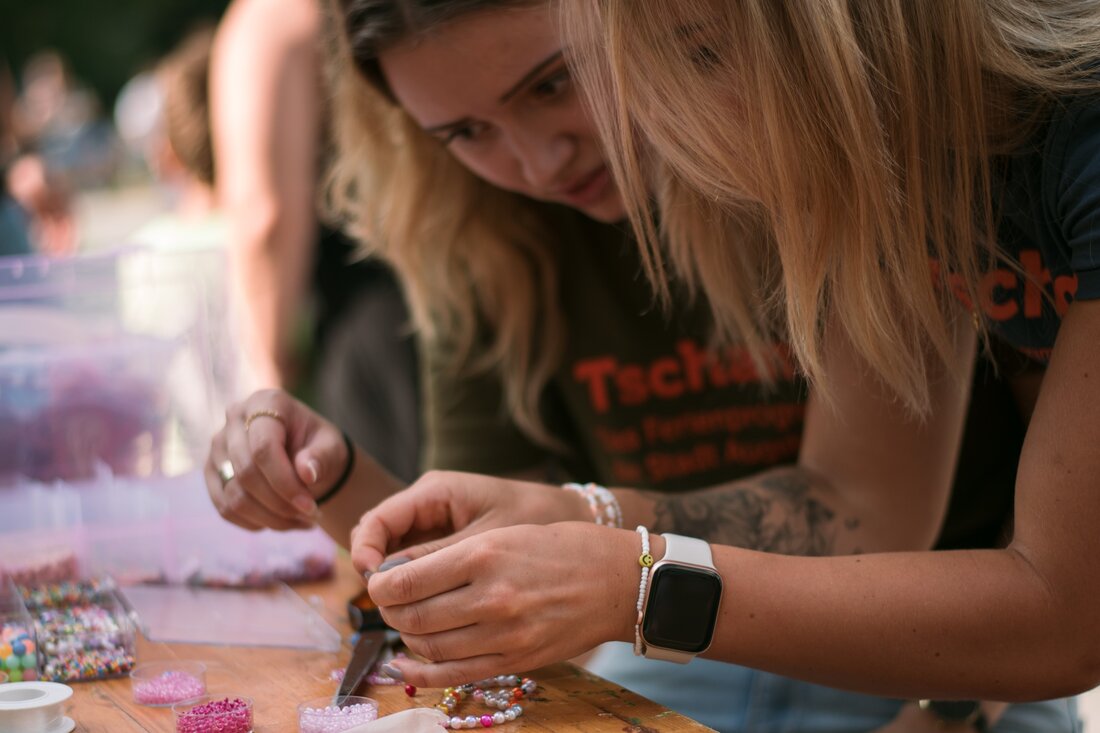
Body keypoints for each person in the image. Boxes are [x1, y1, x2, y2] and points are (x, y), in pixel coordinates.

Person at [206, 1, 1066, 731]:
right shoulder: (479, 237)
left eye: (553, 83)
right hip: (676, 655)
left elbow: (874, 522)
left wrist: (606, 549)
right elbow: (489, 553)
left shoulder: (848, 152)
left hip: (945, 667)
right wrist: (331, 477)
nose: (540, 162)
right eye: (466, 132)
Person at [209, 0, 419, 481]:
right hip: (449, 292)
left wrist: (266, 382)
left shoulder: (273, 17)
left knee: (398, 539)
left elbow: (263, 216)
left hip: (367, 326)